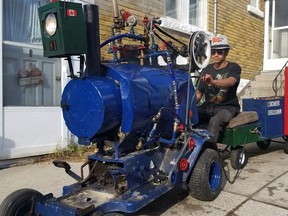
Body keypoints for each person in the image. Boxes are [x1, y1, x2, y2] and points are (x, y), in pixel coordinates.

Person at [196, 34, 241, 143]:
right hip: (208, 106)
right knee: (190, 116)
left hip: (227, 107)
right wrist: (188, 105)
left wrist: (213, 82)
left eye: (220, 52)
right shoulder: (206, 69)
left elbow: (231, 81)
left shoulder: (234, 67)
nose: (216, 55)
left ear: (226, 53)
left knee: (214, 121)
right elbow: (199, 93)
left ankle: (210, 151)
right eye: (213, 52)